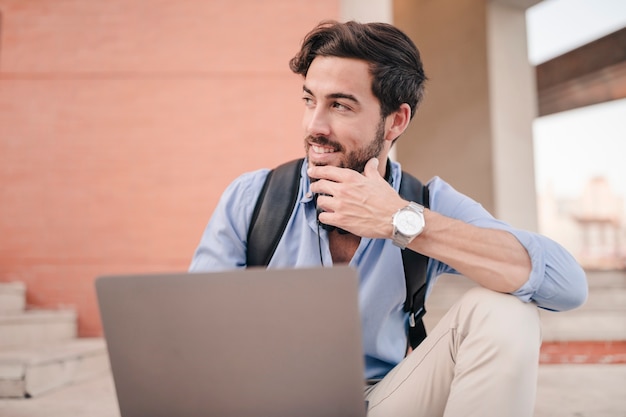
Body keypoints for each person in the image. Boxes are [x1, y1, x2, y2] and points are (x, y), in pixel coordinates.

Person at [189, 20, 587, 417]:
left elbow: (566, 285)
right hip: (267, 403)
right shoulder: (253, 198)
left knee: (507, 311)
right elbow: (190, 337)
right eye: (310, 100)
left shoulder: (425, 201)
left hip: (381, 403)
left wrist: (401, 220)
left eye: (340, 105)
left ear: (395, 121)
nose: (315, 126)